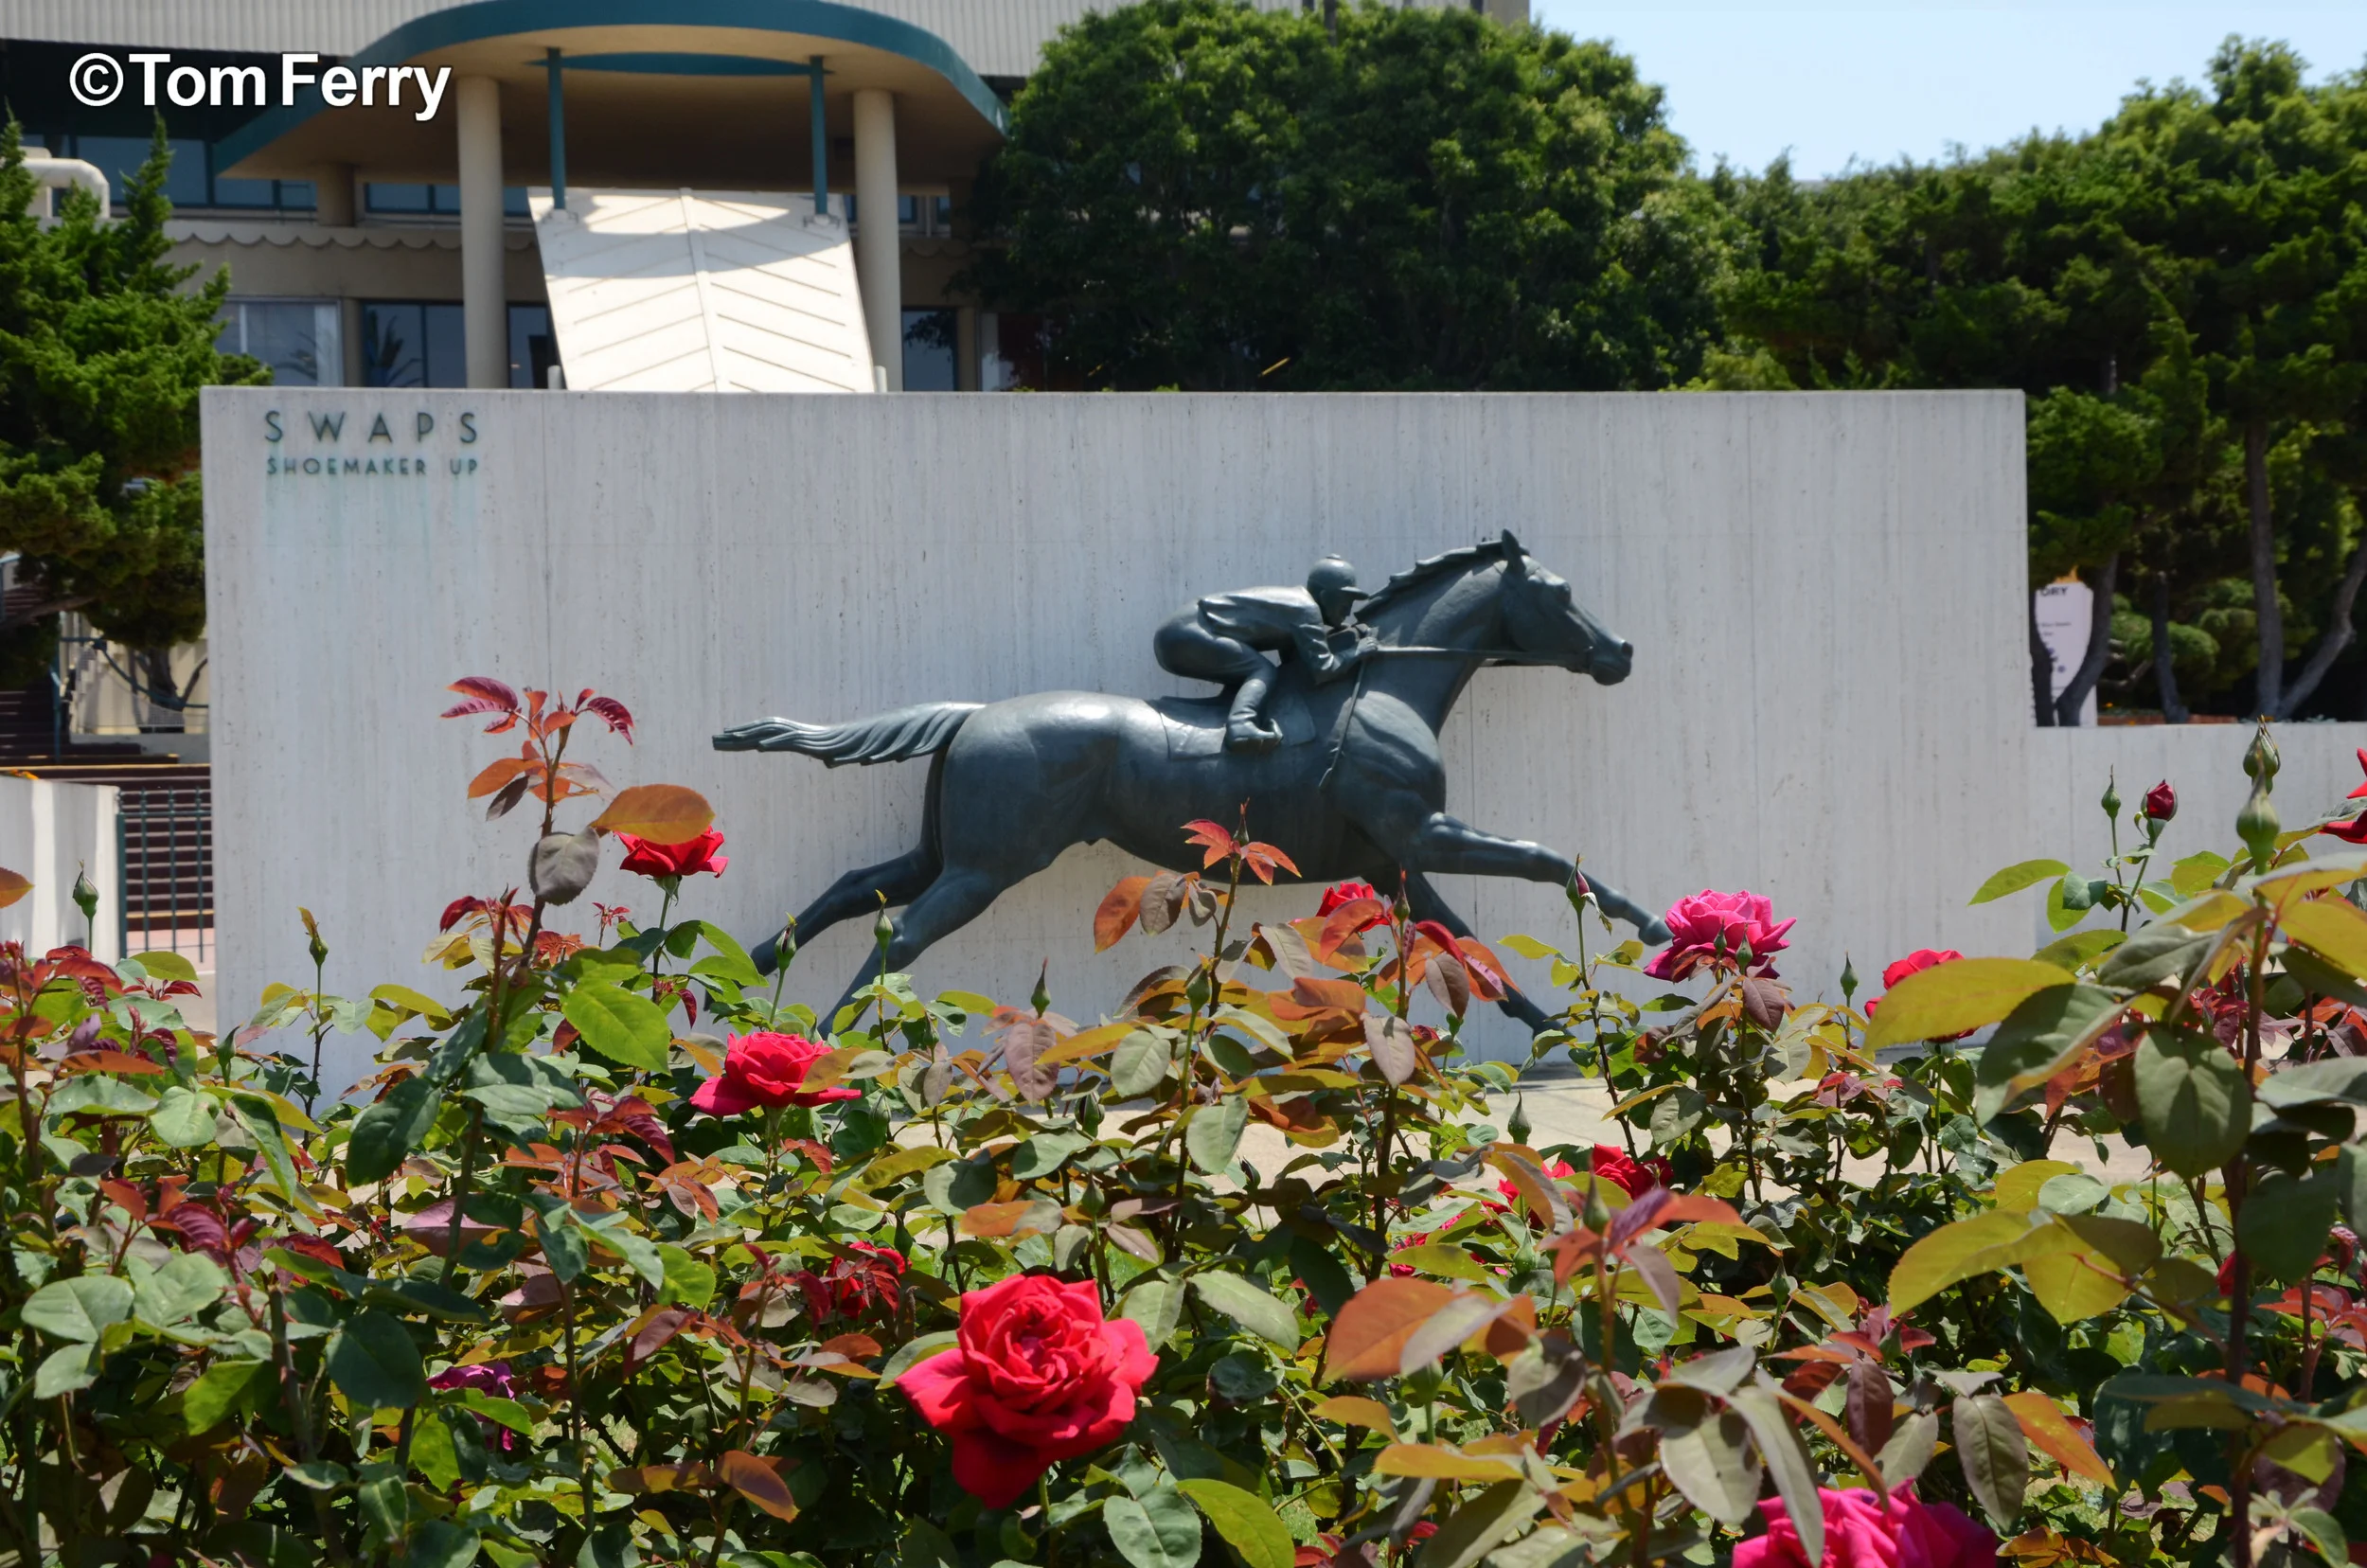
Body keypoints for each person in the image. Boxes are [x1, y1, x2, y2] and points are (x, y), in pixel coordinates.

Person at [1152, 555, 1377, 752]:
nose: (1348, 610)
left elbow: (1296, 661)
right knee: (1261, 670)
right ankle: (1241, 727)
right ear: (1324, 595)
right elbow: (1322, 669)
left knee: (1249, 670)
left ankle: (1230, 712)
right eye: (1345, 600)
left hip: (1183, 630)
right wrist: (1357, 651)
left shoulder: (1298, 606)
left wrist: (1348, 634)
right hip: (1187, 633)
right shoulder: (1306, 610)